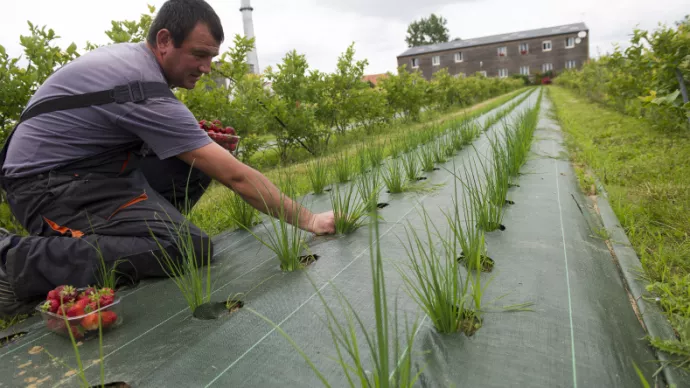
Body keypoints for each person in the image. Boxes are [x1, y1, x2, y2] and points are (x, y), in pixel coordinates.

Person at [0, 0, 335, 319]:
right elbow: (236, 178)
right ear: (164, 40)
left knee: (195, 162)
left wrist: (195, 141)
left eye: (212, 57)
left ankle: (134, 241)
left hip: (85, 173)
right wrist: (311, 221)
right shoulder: (139, 84)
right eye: (199, 54)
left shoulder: (134, 63)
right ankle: (12, 262)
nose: (206, 67)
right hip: (43, 188)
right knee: (187, 248)